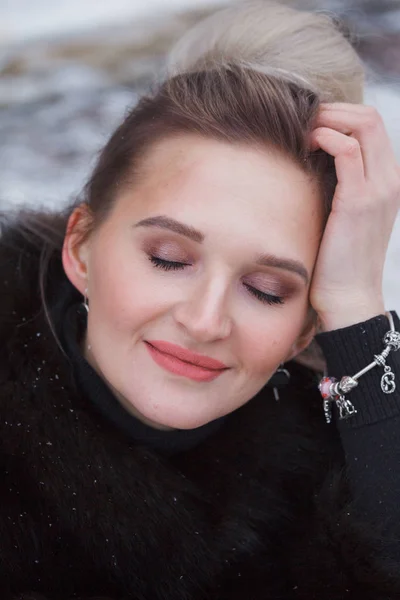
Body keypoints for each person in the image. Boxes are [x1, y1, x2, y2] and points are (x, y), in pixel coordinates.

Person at [1, 0, 400, 597]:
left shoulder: (330, 476)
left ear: (303, 329)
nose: (205, 320)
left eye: (267, 290)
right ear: (81, 248)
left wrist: (354, 301)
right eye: (169, 259)